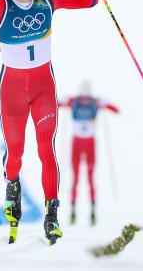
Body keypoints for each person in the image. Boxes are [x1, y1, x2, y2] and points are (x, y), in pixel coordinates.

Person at [0, 0, 99, 245]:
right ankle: (12, 184)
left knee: (46, 150)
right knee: (15, 154)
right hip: (12, 92)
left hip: (43, 90)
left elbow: (88, 1)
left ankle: (52, 214)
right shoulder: (1, 8)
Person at [59, 81, 119, 225]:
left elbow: (115, 109)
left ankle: (87, 211)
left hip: (84, 144)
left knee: (84, 179)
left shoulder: (79, 101)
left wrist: (107, 104)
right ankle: (80, 211)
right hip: (82, 144)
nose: (85, 100)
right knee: (81, 179)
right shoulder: (91, 101)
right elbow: (114, 109)